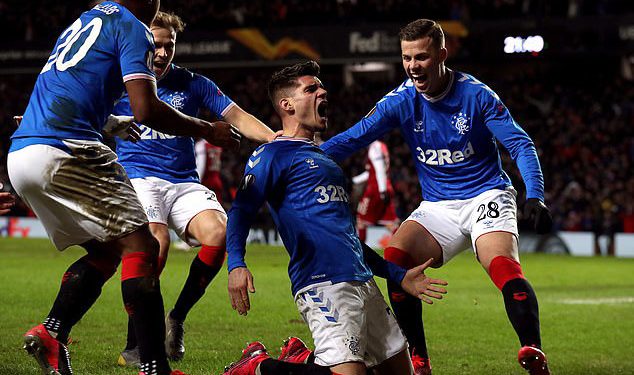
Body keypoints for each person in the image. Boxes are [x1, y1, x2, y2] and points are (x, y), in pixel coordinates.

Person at [6, 1, 240, 375]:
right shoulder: (132, 27)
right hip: (67, 150)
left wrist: (110, 122)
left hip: (23, 152)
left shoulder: (82, 21)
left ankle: (53, 333)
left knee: (107, 250)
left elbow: (71, 85)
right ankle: (152, 364)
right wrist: (207, 130)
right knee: (143, 245)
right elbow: (147, 110)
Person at [320, 19, 553, 375]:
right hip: (438, 206)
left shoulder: (477, 95)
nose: (413, 66)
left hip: (486, 194)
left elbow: (520, 143)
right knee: (396, 258)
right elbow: (355, 137)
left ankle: (533, 352)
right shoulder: (400, 101)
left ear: (442, 54)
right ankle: (419, 360)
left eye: (422, 57)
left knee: (500, 264)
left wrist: (534, 195)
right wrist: (304, 155)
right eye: (407, 58)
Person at [223, 61, 447, 375]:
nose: (323, 91)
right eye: (311, 89)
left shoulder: (326, 161)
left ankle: (301, 359)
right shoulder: (272, 155)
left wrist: (398, 275)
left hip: (363, 282)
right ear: (287, 105)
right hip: (322, 283)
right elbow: (241, 211)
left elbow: (348, 241)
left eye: (321, 86)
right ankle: (257, 368)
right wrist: (236, 263)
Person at [110, 11, 276, 367]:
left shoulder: (193, 83)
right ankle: (135, 340)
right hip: (139, 176)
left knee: (219, 234)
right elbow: (83, 109)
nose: (161, 53)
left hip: (183, 180)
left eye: (169, 46)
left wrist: (276, 138)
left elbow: (236, 116)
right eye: (155, 45)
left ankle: (177, 317)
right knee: (156, 242)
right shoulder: (120, 81)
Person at [352, 140, 399, 242]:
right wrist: (355, 180)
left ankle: (361, 254)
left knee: (361, 222)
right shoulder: (382, 146)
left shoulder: (375, 147)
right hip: (386, 187)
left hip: (375, 190)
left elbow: (379, 170)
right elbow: (372, 172)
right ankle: (402, 251)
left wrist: (382, 191)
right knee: (391, 224)